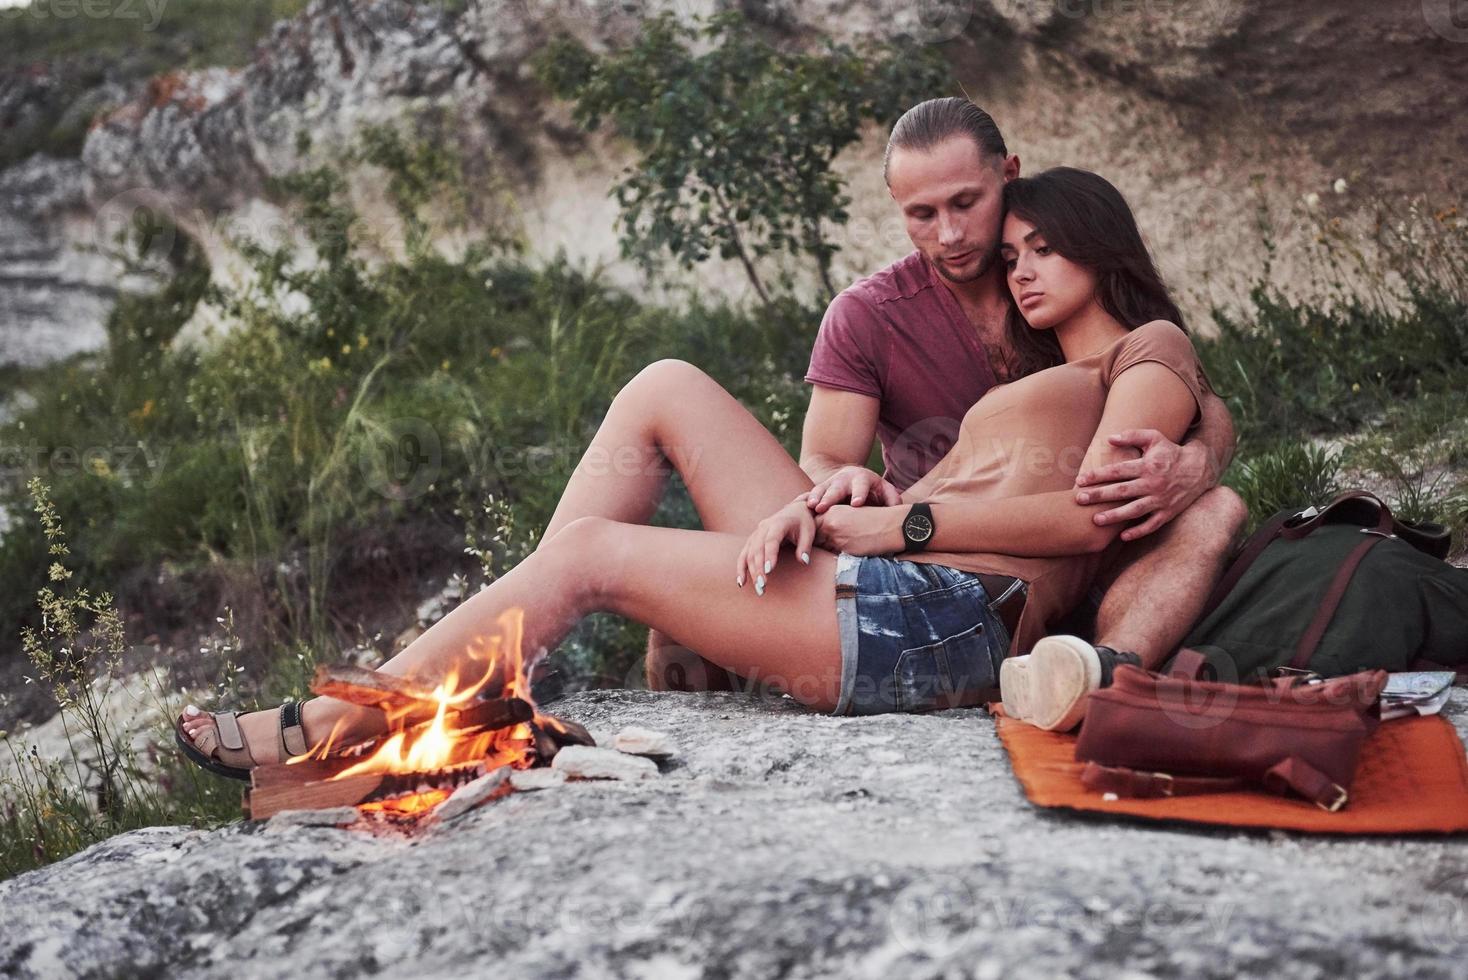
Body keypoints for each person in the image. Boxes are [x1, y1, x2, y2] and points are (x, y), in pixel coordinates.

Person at [177, 165, 1211, 777]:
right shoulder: (1050, 369)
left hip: (940, 616)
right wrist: (869, 494)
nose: (1015, 266)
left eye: (1040, 248)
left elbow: (1089, 522)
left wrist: (902, 530)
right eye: (1013, 249)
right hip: (903, 585)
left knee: (592, 557)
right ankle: (496, 681)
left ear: (1097, 247)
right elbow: (989, 495)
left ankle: (350, 722)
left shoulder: (1146, 347)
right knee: (665, 382)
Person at [645, 98, 1247, 730]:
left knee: (1218, 507)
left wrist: (1202, 455)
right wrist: (857, 491)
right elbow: (824, 458)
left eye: (966, 203)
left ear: (1008, 177)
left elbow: (1179, 385)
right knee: (681, 587)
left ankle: (1098, 672)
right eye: (921, 214)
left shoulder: (1061, 302)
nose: (951, 235)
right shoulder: (872, 314)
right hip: (922, 564)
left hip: (1054, 572)